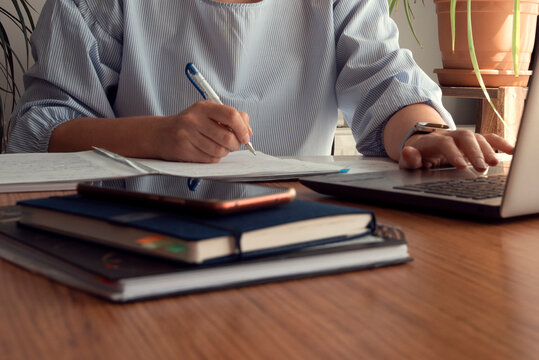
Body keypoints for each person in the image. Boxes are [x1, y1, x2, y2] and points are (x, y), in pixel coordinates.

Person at [7, 0, 513, 172]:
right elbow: (36, 133)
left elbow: (386, 84)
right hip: (136, 247)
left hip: (298, 246)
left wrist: (423, 135)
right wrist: (156, 138)